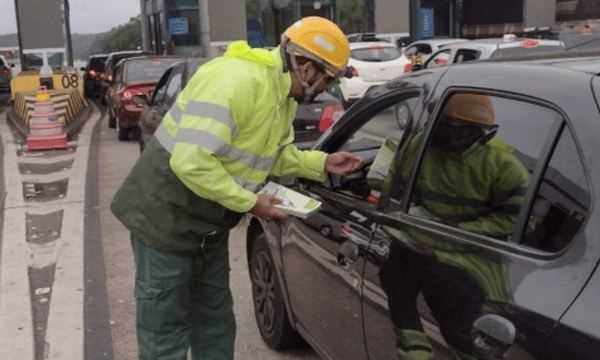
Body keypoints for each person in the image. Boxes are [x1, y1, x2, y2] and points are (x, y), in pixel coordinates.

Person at [111, 17, 362, 360]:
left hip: (209, 224)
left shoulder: (282, 97)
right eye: (328, 78)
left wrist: (321, 163)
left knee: (215, 323)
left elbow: (272, 155)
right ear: (304, 66)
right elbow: (190, 162)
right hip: (164, 220)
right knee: (165, 331)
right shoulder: (236, 81)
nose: (327, 88)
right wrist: (251, 202)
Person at [380, 94, 529, 360]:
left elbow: (512, 220)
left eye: (444, 127)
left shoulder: (504, 166)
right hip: (421, 244)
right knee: (394, 276)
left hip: (470, 258)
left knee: (457, 326)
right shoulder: (419, 146)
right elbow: (395, 189)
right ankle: (415, 352)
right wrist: (414, 219)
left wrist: (453, 232)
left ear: (473, 132)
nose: (432, 131)